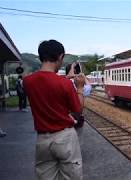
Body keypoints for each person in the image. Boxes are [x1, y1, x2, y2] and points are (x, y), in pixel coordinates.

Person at [23, 40, 85, 180]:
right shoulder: (64, 84)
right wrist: (79, 88)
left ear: (41, 57)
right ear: (60, 56)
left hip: (42, 140)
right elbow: (77, 111)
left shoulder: (28, 82)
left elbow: (45, 81)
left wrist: (65, 77)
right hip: (64, 138)